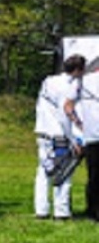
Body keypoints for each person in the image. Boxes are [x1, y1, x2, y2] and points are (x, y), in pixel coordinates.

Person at [34, 55, 85, 220]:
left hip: (42, 130)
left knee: (44, 171)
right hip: (58, 134)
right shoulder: (68, 87)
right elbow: (65, 114)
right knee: (63, 172)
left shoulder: (49, 81)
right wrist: (73, 139)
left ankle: (41, 210)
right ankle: (61, 211)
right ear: (77, 70)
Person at [63, 61, 99, 221]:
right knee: (94, 176)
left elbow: (68, 105)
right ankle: (92, 210)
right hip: (92, 135)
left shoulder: (83, 81)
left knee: (94, 175)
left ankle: (92, 210)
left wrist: (78, 122)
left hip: (91, 134)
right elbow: (68, 105)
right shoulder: (85, 81)